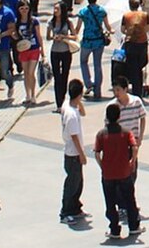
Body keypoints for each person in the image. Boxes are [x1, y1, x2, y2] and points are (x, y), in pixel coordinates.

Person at [93, 102, 142, 240]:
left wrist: (102, 166)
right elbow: (134, 147)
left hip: (108, 174)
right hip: (124, 172)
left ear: (107, 117)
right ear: (119, 116)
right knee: (130, 200)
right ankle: (134, 226)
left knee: (110, 202)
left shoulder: (101, 134)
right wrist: (132, 161)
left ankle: (114, 229)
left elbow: (96, 153)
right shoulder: (126, 133)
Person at [59, 78, 88, 224]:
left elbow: (83, 112)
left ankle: (75, 207)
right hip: (73, 153)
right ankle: (65, 212)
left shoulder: (68, 105)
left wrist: (78, 101)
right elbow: (75, 137)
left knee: (78, 182)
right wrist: (82, 154)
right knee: (72, 183)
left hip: (73, 153)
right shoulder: (71, 115)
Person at [76, 0, 110, 100]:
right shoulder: (101, 11)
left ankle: (88, 83)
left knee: (83, 61)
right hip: (99, 41)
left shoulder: (83, 12)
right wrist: (110, 31)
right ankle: (97, 90)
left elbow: (77, 28)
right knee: (97, 64)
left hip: (87, 41)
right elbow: (108, 26)